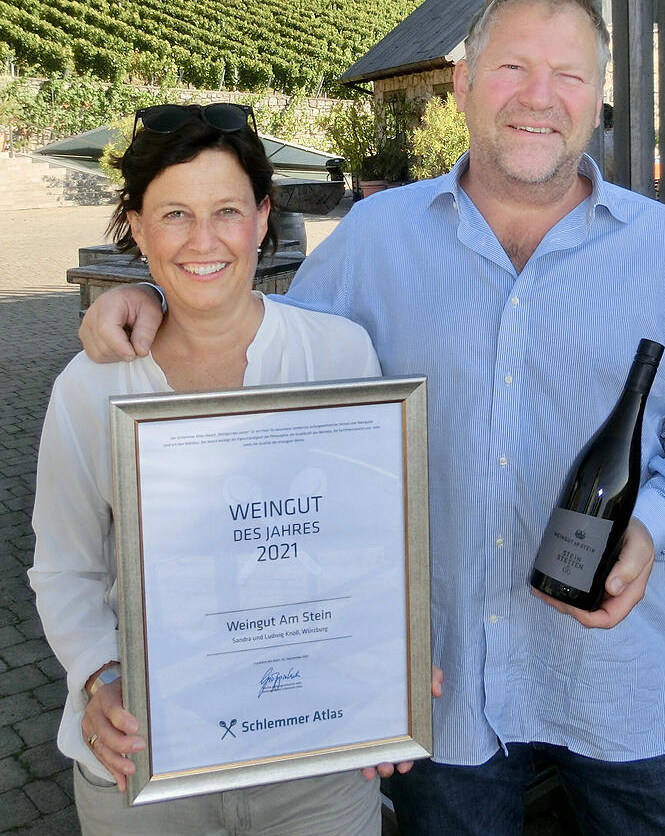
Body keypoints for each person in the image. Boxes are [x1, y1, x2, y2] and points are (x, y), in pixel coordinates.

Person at [77, 0, 665, 836]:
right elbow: (265, 364)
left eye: (570, 75)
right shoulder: (375, 238)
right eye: (514, 67)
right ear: (464, 81)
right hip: (432, 689)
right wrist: (154, 304)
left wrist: (656, 520)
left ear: (599, 98)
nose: (539, 98)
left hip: (618, 676)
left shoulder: (664, 250)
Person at [28, 103, 398, 836]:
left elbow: (375, 546)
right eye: (174, 214)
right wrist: (98, 675)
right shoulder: (88, 385)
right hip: (147, 761)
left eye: (227, 210)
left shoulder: (338, 355)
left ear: (263, 216)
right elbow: (64, 566)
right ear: (136, 225)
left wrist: (393, 655)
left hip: (311, 761)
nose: (204, 240)